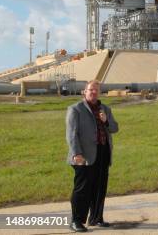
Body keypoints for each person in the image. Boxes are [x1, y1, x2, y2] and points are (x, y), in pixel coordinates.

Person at [66, 80, 119, 233]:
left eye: (96, 90)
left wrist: (106, 121)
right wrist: (77, 153)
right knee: (82, 189)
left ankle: (96, 218)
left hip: (103, 153)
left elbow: (115, 128)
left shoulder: (105, 109)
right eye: (91, 90)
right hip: (84, 155)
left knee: (99, 187)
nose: (93, 92)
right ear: (85, 92)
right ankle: (76, 221)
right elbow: (71, 135)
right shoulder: (75, 109)